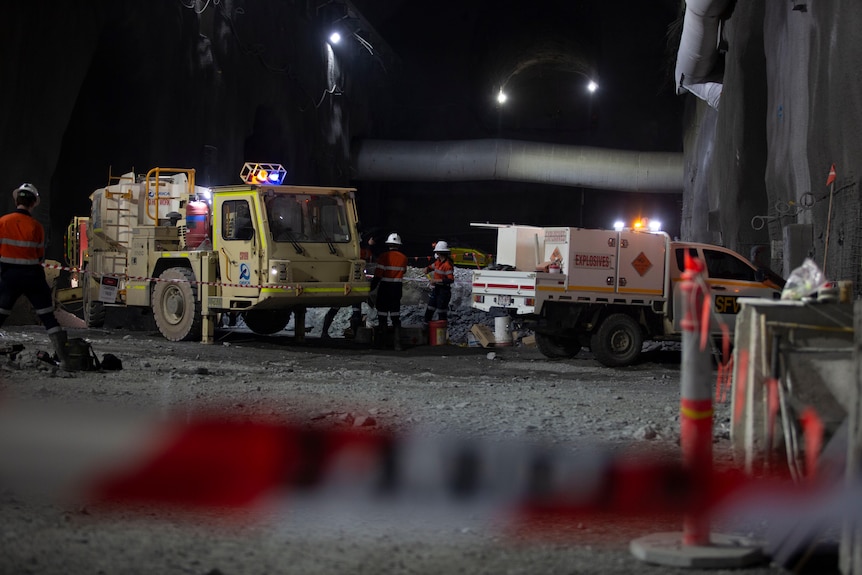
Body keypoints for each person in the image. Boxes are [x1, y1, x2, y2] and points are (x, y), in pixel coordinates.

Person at [0, 184, 74, 370]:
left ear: (16, 200)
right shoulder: (37, 227)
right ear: (33, 203)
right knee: (48, 317)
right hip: (32, 276)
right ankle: (65, 361)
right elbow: (40, 256)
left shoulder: (3, 222)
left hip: (9, 276)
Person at [370, 232, 408, 350]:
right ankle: (397, 344)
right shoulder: (404, 258)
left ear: (388, 244)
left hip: (385, 288)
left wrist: (370, 289)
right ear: (399, 245)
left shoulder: (383, 257)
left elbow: (378, 275)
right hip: (397, 289)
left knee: (382, 316)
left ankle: (382, 343)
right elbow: (404, 271)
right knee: (395, 316)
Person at [423, 240, 455, 324]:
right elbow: (431, 267)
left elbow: (450, 279)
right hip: (437, 289)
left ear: (439, 252)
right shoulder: (438, 262)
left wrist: (436, 280)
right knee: (430, 309)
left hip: (444, 291)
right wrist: (427, 269)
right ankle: (426, 327)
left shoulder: (447, 265)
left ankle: (441, 329)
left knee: (441, 312)